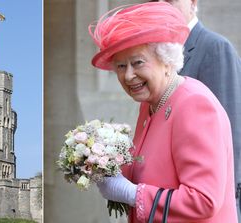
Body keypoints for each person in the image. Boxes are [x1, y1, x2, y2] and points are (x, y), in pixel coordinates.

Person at [89, 2, 237, 222]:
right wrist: (103, 163)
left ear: (166, 61)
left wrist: (131, 194)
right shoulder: (150, 104)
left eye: (137, 63)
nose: (129, 76)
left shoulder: (193, 103)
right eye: (120, 67)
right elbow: (151, 170)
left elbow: (203, 200)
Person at [148, 0, 241, 218]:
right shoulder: (155, 54)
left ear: (192, 2)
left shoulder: (215, 47)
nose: (161, 4)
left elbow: (232, 132)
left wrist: (231, 206)